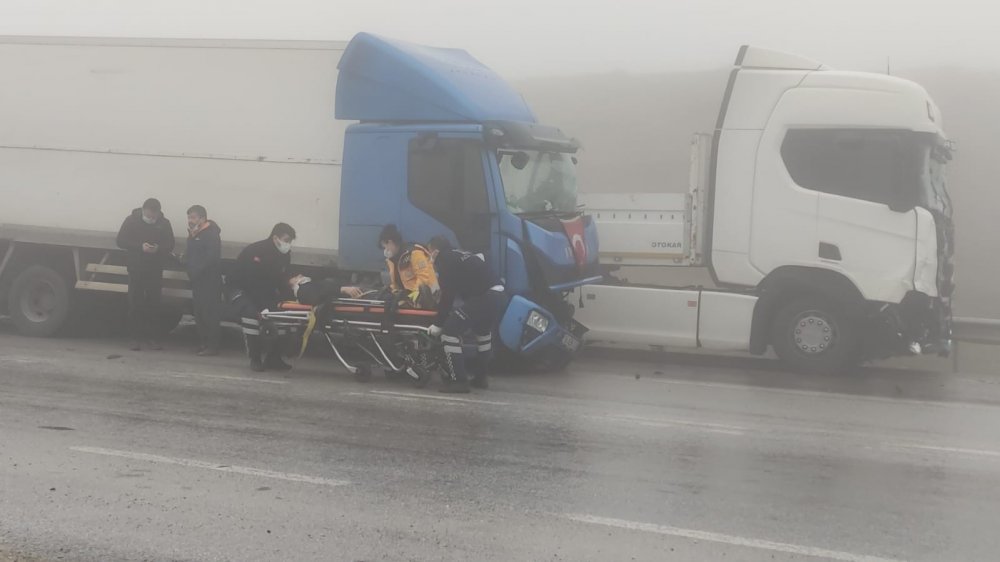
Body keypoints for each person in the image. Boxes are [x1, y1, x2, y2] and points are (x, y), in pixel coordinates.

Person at [427, 236, 506, 393]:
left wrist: (438, 323)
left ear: (435, 251)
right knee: (482, 334)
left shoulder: (445, 260)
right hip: (498, 294)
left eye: (429, 252)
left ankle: (459, 381)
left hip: (485, 296)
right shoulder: (460, 254)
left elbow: (447, 295)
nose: (429, 257)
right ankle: (480, 378)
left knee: (449, 331)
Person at [226, 223, 297, 372]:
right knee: (252, 316)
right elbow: (252, 282)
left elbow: (282, 278)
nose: (288, 244)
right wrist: (262, 308)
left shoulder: (284, 255)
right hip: (242, 290)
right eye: (286, 240)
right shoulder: (256, 251)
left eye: (290, 241)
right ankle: (255, 358)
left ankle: (274, 358)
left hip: (265, 291)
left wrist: (289, 301)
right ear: (275, 237)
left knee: (283, 317)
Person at [116, 198, 175, 351]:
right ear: (143, 210)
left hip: (155, 269)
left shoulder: (164, 223)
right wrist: (139, 247)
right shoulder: (131, 220)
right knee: (135, 303)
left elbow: (170, 244)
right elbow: (121, 241)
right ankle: (134, 338)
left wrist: (158, 248)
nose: (151, 219)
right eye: (148, 216)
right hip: (136, 268)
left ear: (158, 213)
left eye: (153, 217)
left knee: (154, 304)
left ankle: (153, 338)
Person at [182, 205, 223, 356]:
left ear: (202, 218)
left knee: (209, 313)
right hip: (198, 280)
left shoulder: (211, 234)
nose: (190, 221)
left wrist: (196, 270)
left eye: (193, 217)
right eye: (189, 217)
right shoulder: (194, 233)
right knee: (198, 313)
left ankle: (212, 345)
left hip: (209, 280)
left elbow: (211, 258)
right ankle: (203, 343)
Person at [379, 224, 438, 309]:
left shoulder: (414, 252)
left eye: (385, 247)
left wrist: (410, 298)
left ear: (390, 242)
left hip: (428, 298)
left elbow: (424, 279)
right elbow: (395, 283)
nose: (385, 251)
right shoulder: (392, 260)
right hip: (411, 298)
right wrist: (394, 294)